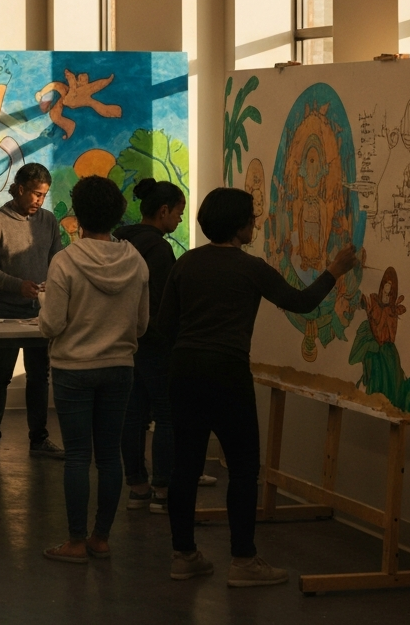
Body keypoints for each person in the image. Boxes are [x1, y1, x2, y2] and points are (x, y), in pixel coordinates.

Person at [158, 187, 358, 587]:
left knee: (185, 466)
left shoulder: (186, 263)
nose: (255, 223)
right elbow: (301, 302)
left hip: (185, 369)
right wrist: (335, 270)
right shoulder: (250, 268)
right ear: (238, 226)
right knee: (244, 468)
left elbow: (164, 327)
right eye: (251, 218)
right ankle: (243, 562)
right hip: (228, 372)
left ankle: (183, 556)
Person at [39, 175, 149, 563]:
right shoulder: (135, 260)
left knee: (77, 456)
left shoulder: (65, 261)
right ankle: (101, 538)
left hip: (74, 368)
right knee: (108, 456)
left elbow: (51, 325)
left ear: (79, 215)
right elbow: (141, 325)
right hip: (119, 367)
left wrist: (44, 310)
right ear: (118, 214)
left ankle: (74, 541)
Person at [116, 179, 216, 516]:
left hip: (125, 341)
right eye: (178, 213)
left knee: (133, 415)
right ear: (163, 211)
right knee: (167, 415)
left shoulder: (121, 240)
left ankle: (137, 488)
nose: (180, 219)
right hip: (155, 343)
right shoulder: (158, 249)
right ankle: (162, 488)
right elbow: (162, 305)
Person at [0, 163, 65, 464]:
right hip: (4, 310)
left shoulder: (49, 221)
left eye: (44, 195)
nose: (40, 200)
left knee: (39, 376)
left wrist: (52, 284)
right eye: (36, 194)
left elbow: (57, 260)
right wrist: (18, 286)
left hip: (39, 313)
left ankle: (39, 440)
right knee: (0, 374)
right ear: (21, 189)